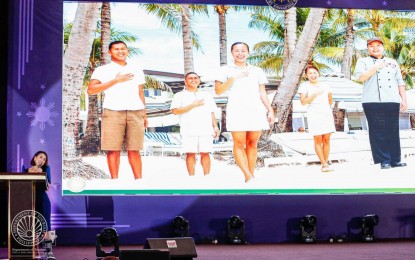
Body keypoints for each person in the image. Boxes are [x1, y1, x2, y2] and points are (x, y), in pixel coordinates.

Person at [215, 42, 275, 183]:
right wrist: (234, 78)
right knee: (239, 143)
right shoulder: (225, 70)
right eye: (237, 51)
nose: (240, 53)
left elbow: (262, 92)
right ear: (232, 53)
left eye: (243, 51)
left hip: (255, 109)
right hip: (236, 109)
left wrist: (270, 110)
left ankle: (251, 175)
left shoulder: (257, 70)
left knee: (252, 143)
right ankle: (247, 175)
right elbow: (218, 91)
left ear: (248, 53)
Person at [88, 41, 147, 179]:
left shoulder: (136, 69)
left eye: (123, 49)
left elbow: (140, 92)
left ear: (127, 51)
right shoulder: (102, 70)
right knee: (113, 149)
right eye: (116, 49)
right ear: (109, 52)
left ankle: (139, 182)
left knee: (135, 149)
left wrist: (144, 114)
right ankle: (115, 182)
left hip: (136, 111)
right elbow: (91, 90)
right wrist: (116, 81)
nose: (120, 51)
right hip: (113, 111)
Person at [354, 37, 407, 169]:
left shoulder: (392, 62)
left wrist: (404, 100)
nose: (375, 48)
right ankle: (384, 160)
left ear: (383, 47)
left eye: (378, 45)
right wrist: (376, 67)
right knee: (378, 131)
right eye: (372, 46)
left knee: (393, 130)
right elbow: (360, 77)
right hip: (372, 101)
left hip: (392, 100)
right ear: (368, 48)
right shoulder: (363, 61)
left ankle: (395, 160)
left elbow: (400, 82)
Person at [171, 72, 220, 176]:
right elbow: (175, 111)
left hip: (206, 129)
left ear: (199, 80)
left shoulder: (207, 95)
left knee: (206, 153)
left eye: (195, 78)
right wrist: (193, 105)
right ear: (185, 81)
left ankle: (207, 177)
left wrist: (215, 127)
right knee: (190, 154)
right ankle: (191, 178)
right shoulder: (179, 95)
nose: (193, 80)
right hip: (188, 130)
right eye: (190, 78)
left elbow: (212, 112)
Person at [298, 65, 336, 172]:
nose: (313, 75)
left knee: (327, 139)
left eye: (314, 73)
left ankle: (326, 161)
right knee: (318, 139)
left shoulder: (326, 85)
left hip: (326, 113)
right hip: (314, 114)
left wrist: (326, 110)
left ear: (318, 73)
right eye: (310, 73)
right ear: (306, 75)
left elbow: (330, 100)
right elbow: (303, 102)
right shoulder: (304, 86)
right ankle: (323, 164)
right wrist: (314, 94)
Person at [23, 151, 56, 259]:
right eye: (40, 157)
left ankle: (48, 252)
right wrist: (33, 169)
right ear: (35, 157)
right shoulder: (25, 169)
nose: (42, 160)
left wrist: (39, 170)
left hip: (43, 200)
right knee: (32, 227)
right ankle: (34, 250)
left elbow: (47, 185)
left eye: (44, 159)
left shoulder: (46, 169)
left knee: (46, 226)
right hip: (29, 200)